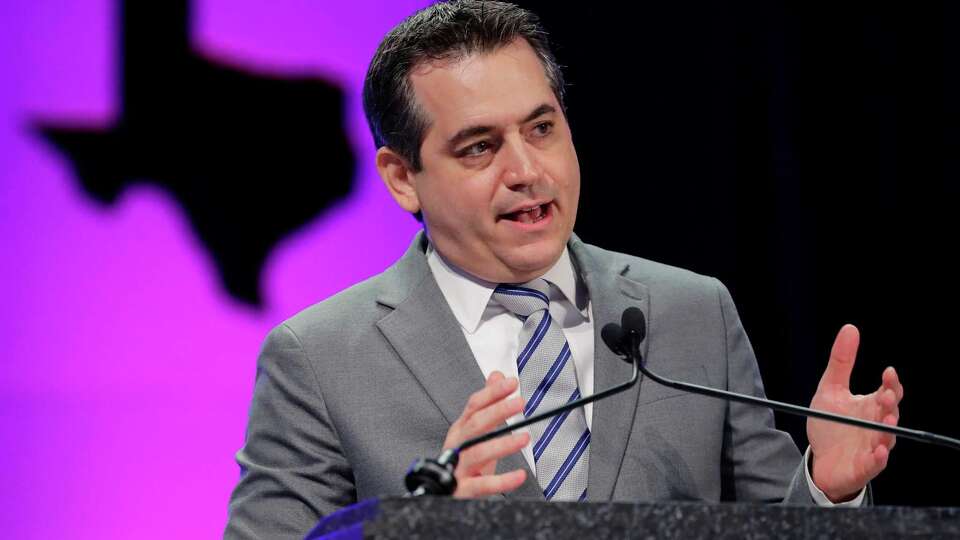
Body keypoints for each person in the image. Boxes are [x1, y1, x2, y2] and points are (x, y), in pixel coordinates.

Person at [224, 2, 904, 538]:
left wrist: (830, 489)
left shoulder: (690, 310)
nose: (526, 171)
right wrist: (414, 528)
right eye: (480, 147)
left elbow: (775, 531)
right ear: (403, 179)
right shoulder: (318, 358)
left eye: (541, 128)